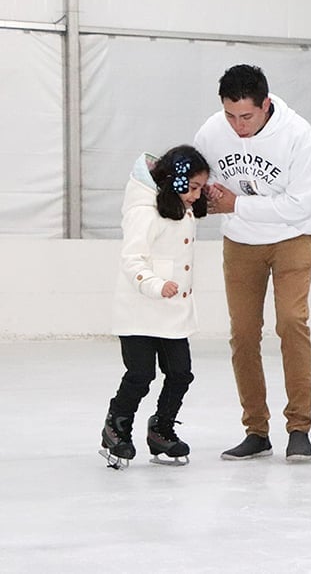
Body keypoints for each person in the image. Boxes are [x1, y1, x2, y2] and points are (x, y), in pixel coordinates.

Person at [194, 64, 311, 462]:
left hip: (293, 236)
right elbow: (203, 188)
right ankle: (256, 429)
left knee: (291, 321)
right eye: (230, 115)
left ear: (266, 105)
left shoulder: (297, 134)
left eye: (246, 116)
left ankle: (299, 427)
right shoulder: (211, 133)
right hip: (241, 241)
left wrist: (238, 204)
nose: (237, 125)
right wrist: (206, 199)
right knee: (244, 333)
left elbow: (299, 205)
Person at [102, 145, 210, 468]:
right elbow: (131, 260)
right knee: (140, 374)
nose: (196, 195)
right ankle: (116, 428)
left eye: (200, 188)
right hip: (139, 311)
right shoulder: (144, 211)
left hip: (172, 313)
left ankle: (161, 429)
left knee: (181, 374)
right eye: (192, 187)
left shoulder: (181, 205)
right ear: (174, 181)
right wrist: (156, 284)